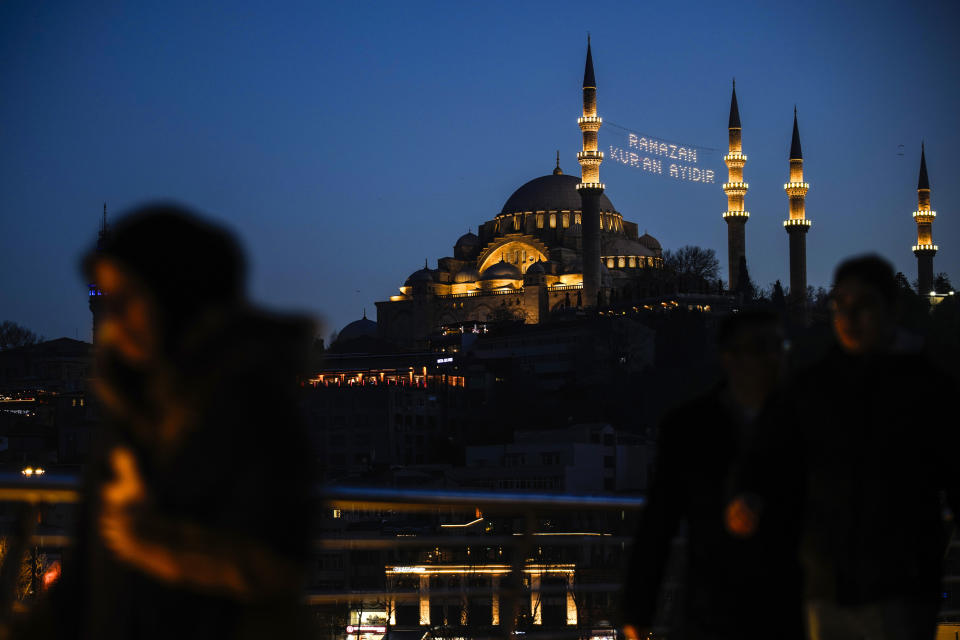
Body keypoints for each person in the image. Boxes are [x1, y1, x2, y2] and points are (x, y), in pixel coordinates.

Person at [26, 204, 316, 639]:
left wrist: (149, 540)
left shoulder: (252, 405)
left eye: (125, 296)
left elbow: (275, 562)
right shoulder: (127, 407)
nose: (113, 319)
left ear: (173, 298)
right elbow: (84, 578)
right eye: (107, 297)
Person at [728, 255, 959, 640]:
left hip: (899, 587)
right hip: (826, 585)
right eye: (841, 305)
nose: (849, 318)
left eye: (863, 306)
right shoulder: (813, 387)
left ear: (892, 309)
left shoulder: (927, 390)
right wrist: (747, 494)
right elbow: (766, 454)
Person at [621, 309, 804, 640]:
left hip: (790, 601)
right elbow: (658, 523)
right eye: (761, 347)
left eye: (779, 345)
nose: (773, 357)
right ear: (730, 357)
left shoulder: (806, 419)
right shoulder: (689, 427)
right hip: (714, 600)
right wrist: (639, 608)